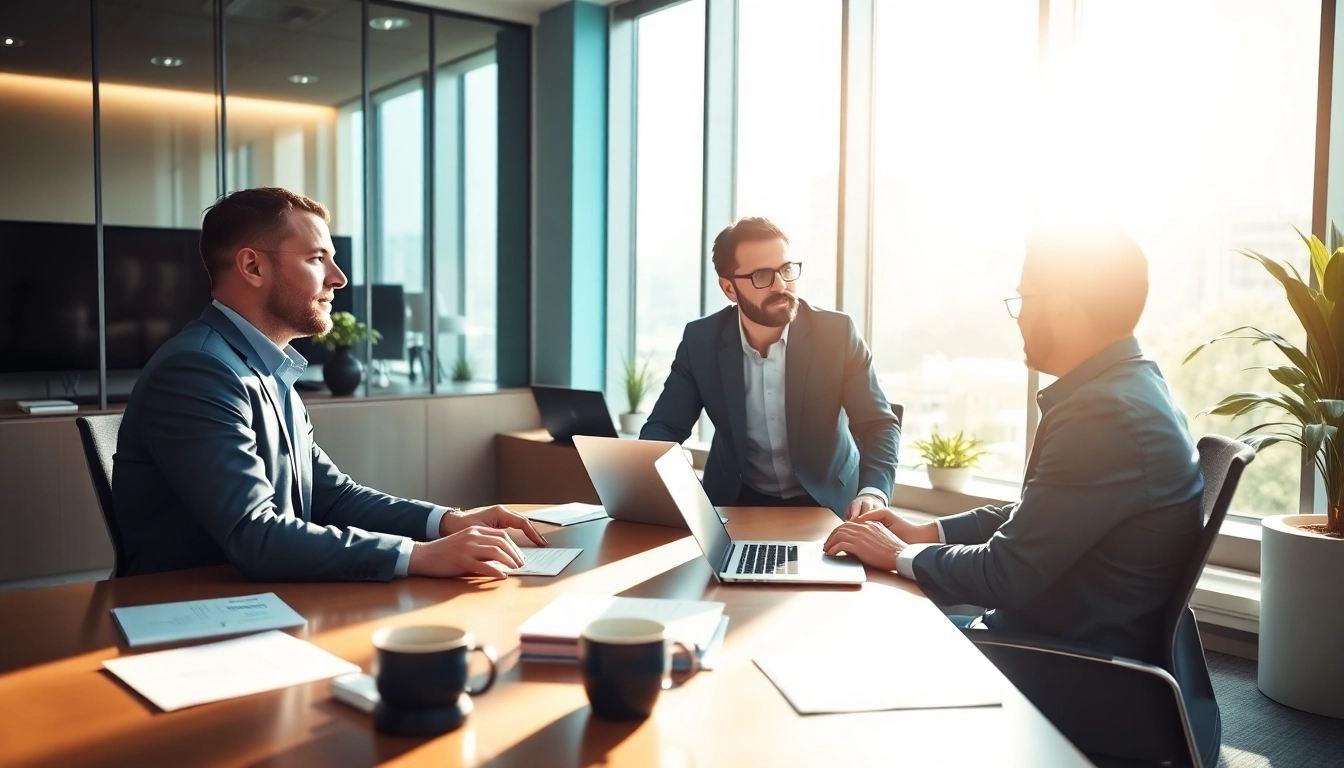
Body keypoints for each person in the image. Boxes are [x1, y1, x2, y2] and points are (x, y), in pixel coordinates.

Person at [113, 187, 546, 581]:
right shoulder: (198, 370)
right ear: (252, 266)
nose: (338, 278)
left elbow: (331, 498)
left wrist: (448, 522)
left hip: (266, 599)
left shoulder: (265, 368)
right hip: (194, 616)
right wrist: (418, 555)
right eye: (317, 259)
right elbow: (255, 534)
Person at [823, 227, 1203, 661]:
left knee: (854, 636)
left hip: (1056, 660)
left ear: (1061, 309)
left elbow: (1005, 573)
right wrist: (928, 531)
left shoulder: (1103, 417)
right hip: (1059, 632)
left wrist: (900, 554)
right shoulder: (1133, 385)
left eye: (1025, 299)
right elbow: (1041, 515)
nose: (1019, 316)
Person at [640, 217, 900, 520]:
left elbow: (878, 424)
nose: (781, 285)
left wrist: (873, 493)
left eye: (786, 270)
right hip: (737, 503)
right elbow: (666, 426)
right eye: (762, 275)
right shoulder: (701, 341)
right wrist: (654, 471)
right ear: (729, 289)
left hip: (828, 502)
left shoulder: (837, 334)